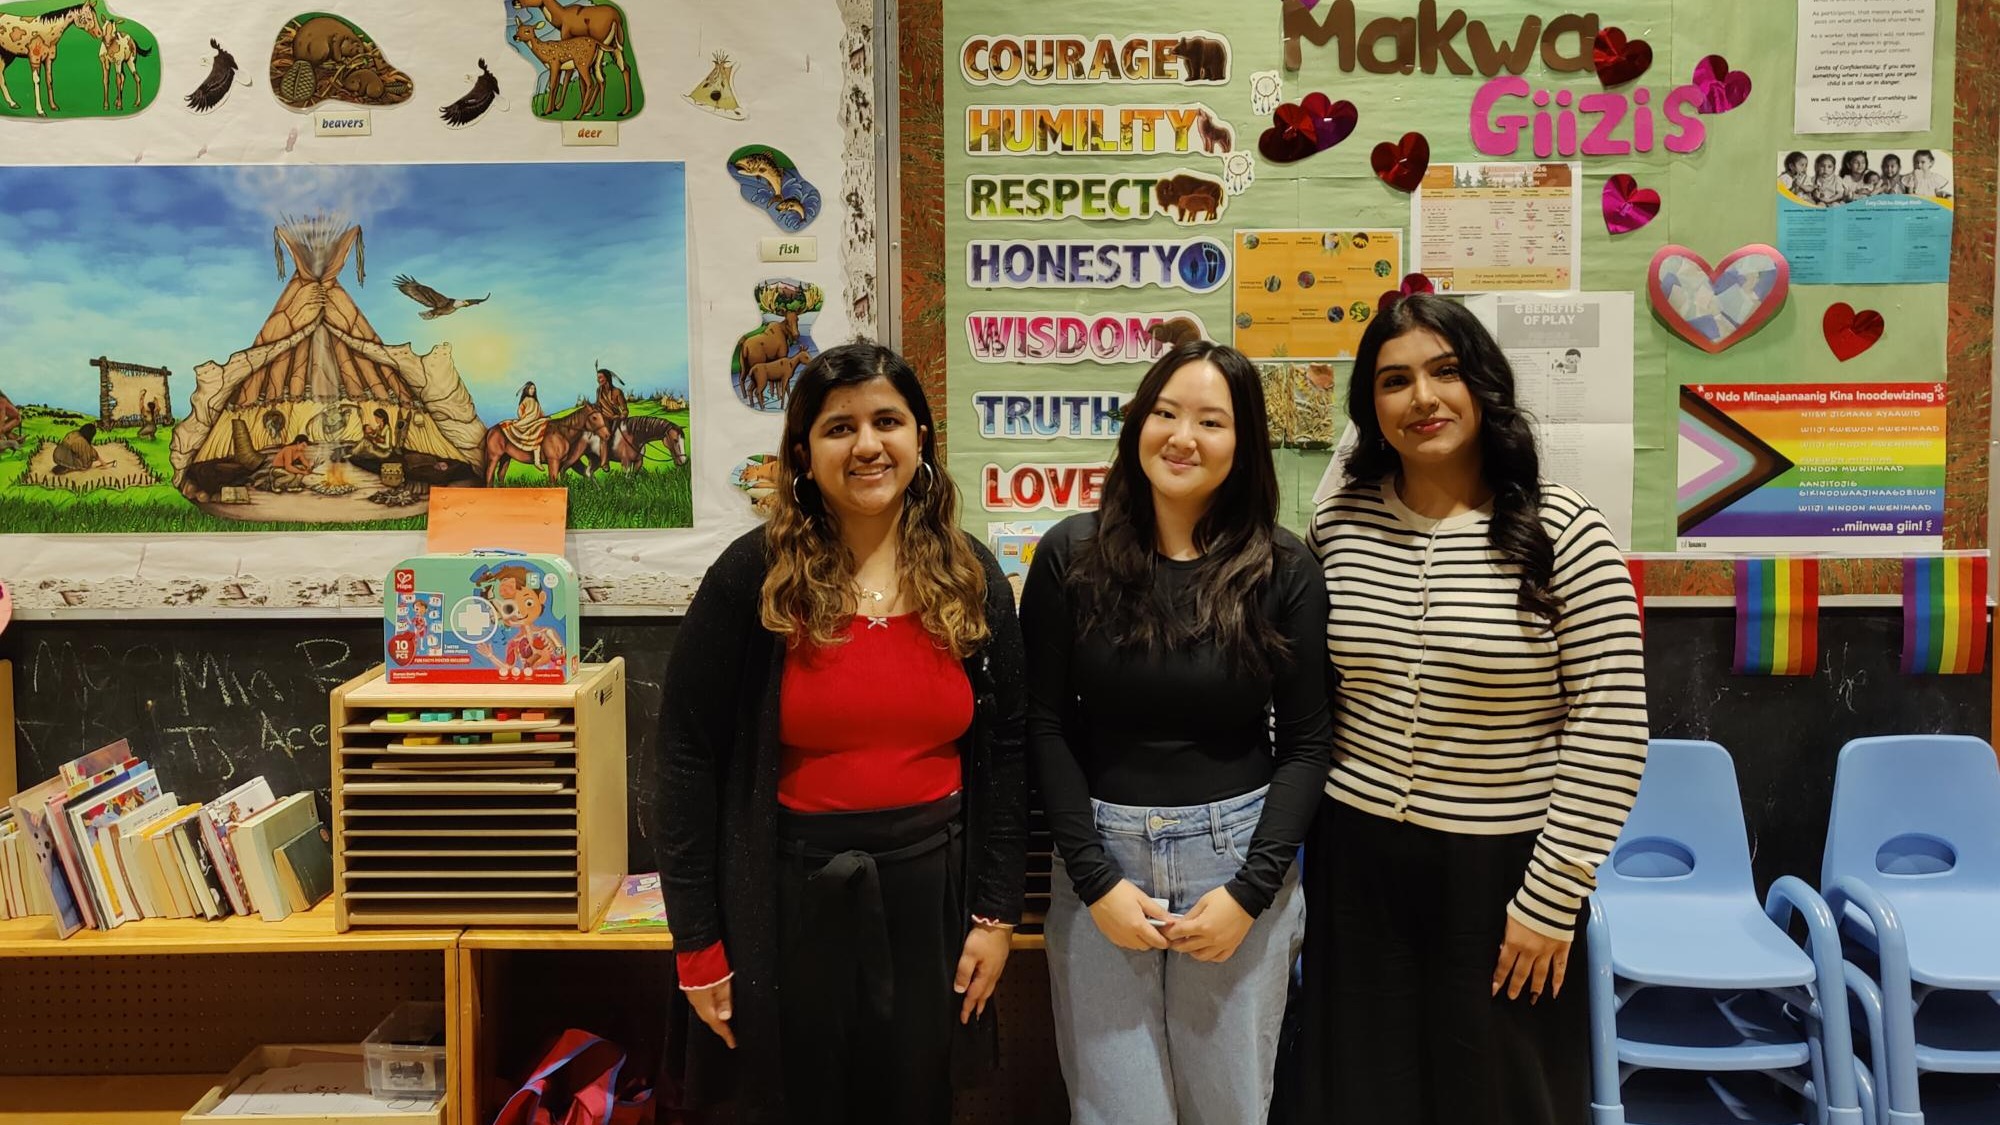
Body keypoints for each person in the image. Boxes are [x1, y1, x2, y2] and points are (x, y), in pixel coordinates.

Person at [1291, 293, 1648, 1125]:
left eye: (1445, 371)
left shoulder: (1564, 531)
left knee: (1497, 1091)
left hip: (1502, 874)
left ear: (1484, 386)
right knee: (1363, 1087)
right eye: (1395, 380)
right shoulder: (1339, 521)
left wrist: (1550, 898)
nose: (1423, 398)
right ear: (1370, 410)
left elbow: (1611, 727)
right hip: (1357, 860)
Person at [657, 341, 1027, 1125]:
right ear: (803, 450)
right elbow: (685, 758)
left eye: (887, 421)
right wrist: (697, 941)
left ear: (920, 438)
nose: (867, 444)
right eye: (840, 427)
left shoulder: (971, 577)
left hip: (936, 897)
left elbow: (1009, 752)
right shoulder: (750, 577)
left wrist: (997, 916)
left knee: (915, 1105)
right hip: (789, 896)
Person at [1022, 339, 1331, 1123]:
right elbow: (1045, 725)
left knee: (1229, 1108)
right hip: (1101, 861)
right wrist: (1094, 881)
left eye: (1211, 420)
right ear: (1137, 426)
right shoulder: (1070, 555)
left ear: (1244, 440)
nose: (1182, 436)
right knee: (1115, 1110)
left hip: (1236, 862)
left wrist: (1249, 894)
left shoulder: (1282, 567)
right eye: (1165, 412)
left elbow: (1306, 744)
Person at [503, 381, 549, 468]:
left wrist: (544, 417)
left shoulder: (536, 402)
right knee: (536, 438)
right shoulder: (525, 400)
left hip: (536, 422)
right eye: (531, 388)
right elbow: (519, 411)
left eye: (534, 389)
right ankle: (537, 461)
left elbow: (540, 412)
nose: (533, 390)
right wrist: (525, 418)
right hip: (527, 423)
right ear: (527, 390)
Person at [0, 388, 22, 452]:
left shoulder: (1, 402)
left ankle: (12, 443)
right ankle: (16, 439)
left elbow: (2, 419)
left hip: (16, 419)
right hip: (10, 419)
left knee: (2, 430)